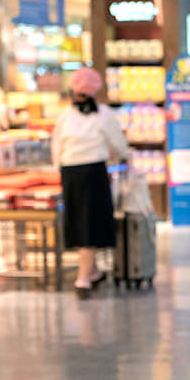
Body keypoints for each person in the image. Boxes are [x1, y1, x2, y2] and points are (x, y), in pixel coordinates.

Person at [51, 67, 128, 299]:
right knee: (92, 221)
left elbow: (56, 146)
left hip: (69, 172)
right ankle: (83, 278)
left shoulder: (65, 115)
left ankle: (92, 272)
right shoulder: (103, 114)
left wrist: (60, 171)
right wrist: (123, 156)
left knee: (78, 220)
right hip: (94, 171)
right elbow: (119, 144)